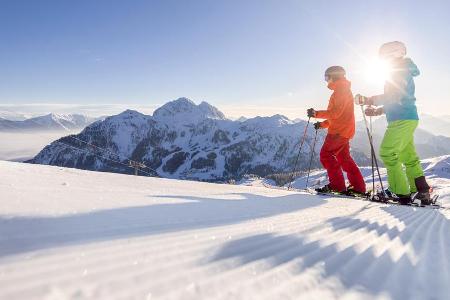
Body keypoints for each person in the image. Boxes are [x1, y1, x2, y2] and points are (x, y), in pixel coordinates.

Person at [355, 41, 432, 204]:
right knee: (408, 156)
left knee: (387, 152)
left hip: (401, 120)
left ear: (391, 55)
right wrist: (377, 111)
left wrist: (369, 99)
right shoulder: (402, 70)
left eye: (383, 57)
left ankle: (399, 192)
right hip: (407, 117)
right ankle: (420, 191)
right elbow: (398, 99)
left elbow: (394, 96)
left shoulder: (399, 71)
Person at [307, 66, 366, 195]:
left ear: (335, 76)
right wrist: (322, 125)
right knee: (344, 158)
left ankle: (337, 186)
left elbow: (336, 113)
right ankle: (359, 188)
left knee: (326, 155)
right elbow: (338, 116)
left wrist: (316, 113)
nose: (326, 81)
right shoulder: (342, 90)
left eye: (327, 77)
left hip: (338, 132)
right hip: (344, 130)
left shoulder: (341, 91)